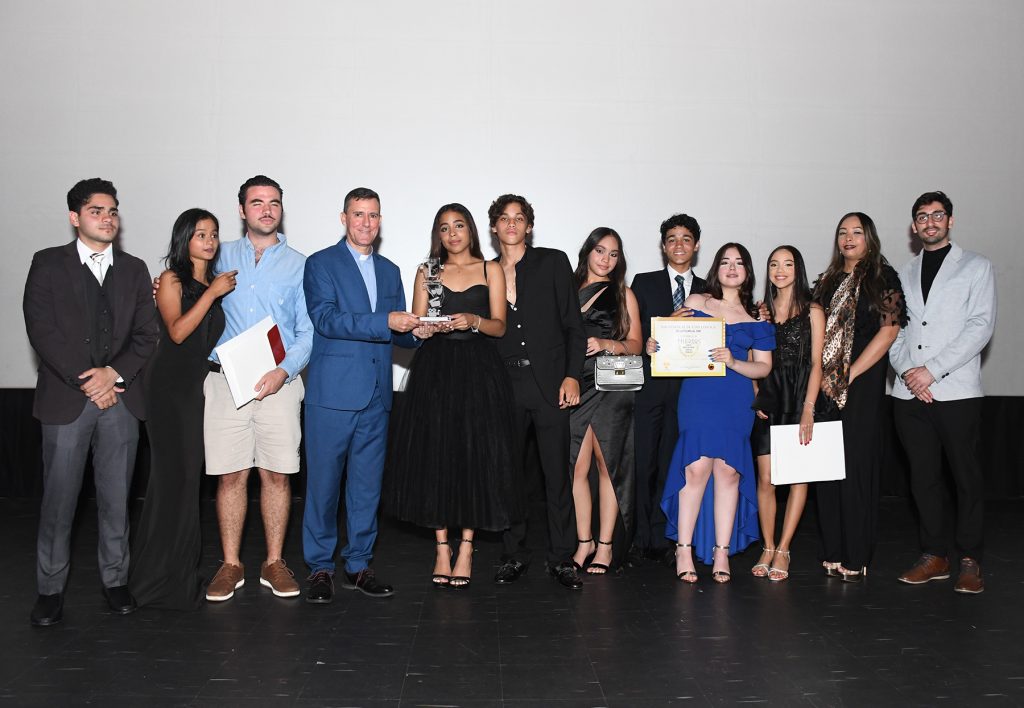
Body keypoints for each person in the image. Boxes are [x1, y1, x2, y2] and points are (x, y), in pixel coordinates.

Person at [23, 178, 159, 625]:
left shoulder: (135, 269)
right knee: (59, 501)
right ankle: (49, 589)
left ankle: (115, 580)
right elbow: (41, 330)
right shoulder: (48, 264)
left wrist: (112, 374)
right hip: (67, 400)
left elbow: (146, 334)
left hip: (121, 399)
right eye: (97, 210)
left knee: (116, 498)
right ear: (74, 217)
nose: (108, 218)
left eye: (113, 210)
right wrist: (88, 379)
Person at [385, 204, 521, 589]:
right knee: (436, 456)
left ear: (471, 230)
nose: (452, 234)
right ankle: (441, 547)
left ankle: (467, 547)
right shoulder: (427, 272)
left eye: (459, 225)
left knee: (474, 457)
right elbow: (415, 324)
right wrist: (421, 330)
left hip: (479, 371)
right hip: (436, 370)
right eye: (444, 228)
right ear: (438, 235)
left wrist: (474, 321)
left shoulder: (489, 269)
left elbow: (498, 327)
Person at [302, 187, 425, 602]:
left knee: (367, 488)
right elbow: (326, 318)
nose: (366, 223)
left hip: (377, 396)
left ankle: (358, 564)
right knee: (323, 486)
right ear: (343, 218)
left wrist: (418, 333)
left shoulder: (390, 270)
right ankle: (320, 568)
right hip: (332, 395)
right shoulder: (321, 263)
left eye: (373, 215)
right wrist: (387, 321)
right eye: (358, 215)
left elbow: (395, 331)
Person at [203, 175, 313, 602]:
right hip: (224, 382)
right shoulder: (217, 255)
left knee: (277, 474)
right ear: (241, 209)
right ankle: (231, 564)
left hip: (278, 384)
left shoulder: (301, 264)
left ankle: (273, 561)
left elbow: (307, 331)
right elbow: (187, 290)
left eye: (273, 203)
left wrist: (283, 371)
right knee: (231, 476)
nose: (266, 210)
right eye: (257, 202)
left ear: (281, 208)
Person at [129, 209, 235, 609]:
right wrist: (210, 294)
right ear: (184, 239)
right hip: (168, 389)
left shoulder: (212, 282)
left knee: (188, 483)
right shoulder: (173, 279)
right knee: (172, 481)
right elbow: (176, 332)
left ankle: (179, 573)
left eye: (213, 234)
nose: (208, 241)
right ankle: (155, 582)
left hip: (195, 388)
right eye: (199, 234)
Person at [890, 191, 996, 594]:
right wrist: (908, 373)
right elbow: (894, 330)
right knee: (923, 478)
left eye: (937, 215)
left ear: (950, 221)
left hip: (956, 391)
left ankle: (970, 559)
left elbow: (980, 327)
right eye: (922, 216)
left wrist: (931, 372)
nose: (930, 222)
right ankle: (935, 554)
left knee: (965, 477)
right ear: (914, 226)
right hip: (908, 394)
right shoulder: (901, 273)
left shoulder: (976, 267)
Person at [651, 243, 774, 584]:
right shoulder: (696, 302)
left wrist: (733, 361)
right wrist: (655, 344)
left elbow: (763, 369)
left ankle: (722, 551)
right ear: (716, 268)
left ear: (748, 271)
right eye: (725, 262)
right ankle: (684, 549)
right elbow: (671, 343)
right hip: (698, 396)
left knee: (729, 472)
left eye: (739, 262)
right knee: (696, 469)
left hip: (735, 399)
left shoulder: (757, 318)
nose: (732, 268)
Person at [489, 194, 588, 590]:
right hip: (503, 386)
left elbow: (573, 327)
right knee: (509, 475)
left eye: (519, 218)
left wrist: (572, 376)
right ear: (494, 226)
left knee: (556, 476)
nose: (511, 224)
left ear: (529, 225)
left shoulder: (553, 261)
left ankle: (561, 557)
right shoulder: (486, 270)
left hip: (549, 385)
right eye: (504, 218)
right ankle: (513, 555)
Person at [813, 212, 906, 583]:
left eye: (857, 232)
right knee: (826, 469)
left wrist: (849, 372)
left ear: (869, 237)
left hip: (862, 384)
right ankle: (833, 550)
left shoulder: (884, 277)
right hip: (823, 386)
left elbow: (889, 331)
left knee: (854, 468)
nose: (848, 238)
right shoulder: (826, 281)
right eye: (842, 232)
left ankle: (856, 553)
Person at [630, 214, 706, 564]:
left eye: (686, 238)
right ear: (663, 246)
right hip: (648, 386)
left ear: (696, 245)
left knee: (673, 464)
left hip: (691, 392)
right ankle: (638, 534)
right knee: (642, 461)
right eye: (672, 239)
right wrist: (646, 340)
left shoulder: (710, 290)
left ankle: (665, 536)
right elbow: (629, 330)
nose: (679, 245)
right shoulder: (643, 283)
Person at [569, 228, 643, 574]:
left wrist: (607, 344)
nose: (606, 259)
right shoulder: (565, 291)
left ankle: (606, 545)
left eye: (614, 254)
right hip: (573, 383)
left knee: (607, 466)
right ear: (587, 251)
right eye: (600, 251)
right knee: (575, 466)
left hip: (611, 384)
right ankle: (583, 541)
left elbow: (637, 345)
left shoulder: (623, 294)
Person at [749, 246, 824, 582]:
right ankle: (767, 545)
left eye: (788, 264)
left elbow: (817, 363)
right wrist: (756, 394)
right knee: (765, 480)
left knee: (796, 479)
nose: (780, 270)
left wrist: (808, 410)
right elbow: (754, 359)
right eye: (774, 264)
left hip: (800, 401)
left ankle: (784, 549)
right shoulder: (759, 311)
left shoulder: (813, 310)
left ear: (799, 268)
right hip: (769, 401)